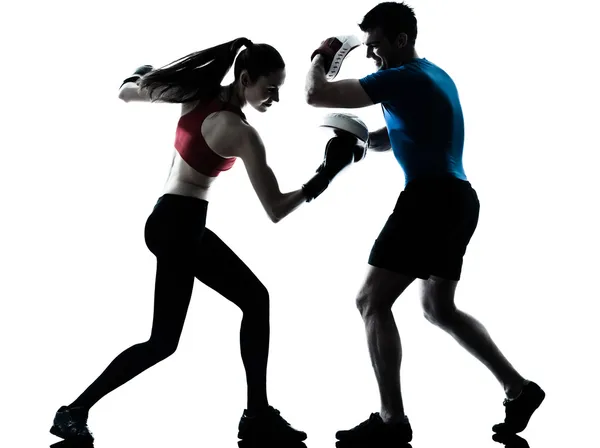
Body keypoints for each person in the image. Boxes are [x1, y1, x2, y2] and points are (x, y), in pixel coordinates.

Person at [50, 37, 366, 443]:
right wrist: (326, 174)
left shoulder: (193, 92)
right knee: (192, 328)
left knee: (217, 317)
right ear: (246, 78)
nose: (276, 98)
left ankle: (256, 413)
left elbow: (128, 93)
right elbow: (275, 209)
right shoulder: (241, 133)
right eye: (269, 89)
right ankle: (76, 410)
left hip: (170, 220)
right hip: (181, 225)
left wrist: (143, 75)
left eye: (281, 88)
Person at [305, 2, 546, 444]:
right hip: (459, 200)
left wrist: (322, 55)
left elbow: (316, 94)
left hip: (430, 199)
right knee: (438, 307)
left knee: (371, 301)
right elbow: (397, 135)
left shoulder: (404, 76)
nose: (373, 56)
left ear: (401, 40)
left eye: (376, 46)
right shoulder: (433, 75)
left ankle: (392, 422)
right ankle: (520, 389)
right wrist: (359, 143)